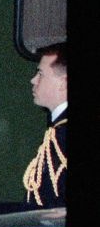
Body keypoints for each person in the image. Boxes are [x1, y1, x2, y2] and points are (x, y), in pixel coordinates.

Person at [22, 40, 67, 207]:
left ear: (63, 83)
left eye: (40, 74)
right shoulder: (58, 130)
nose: (33, 80)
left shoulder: (62, 135)